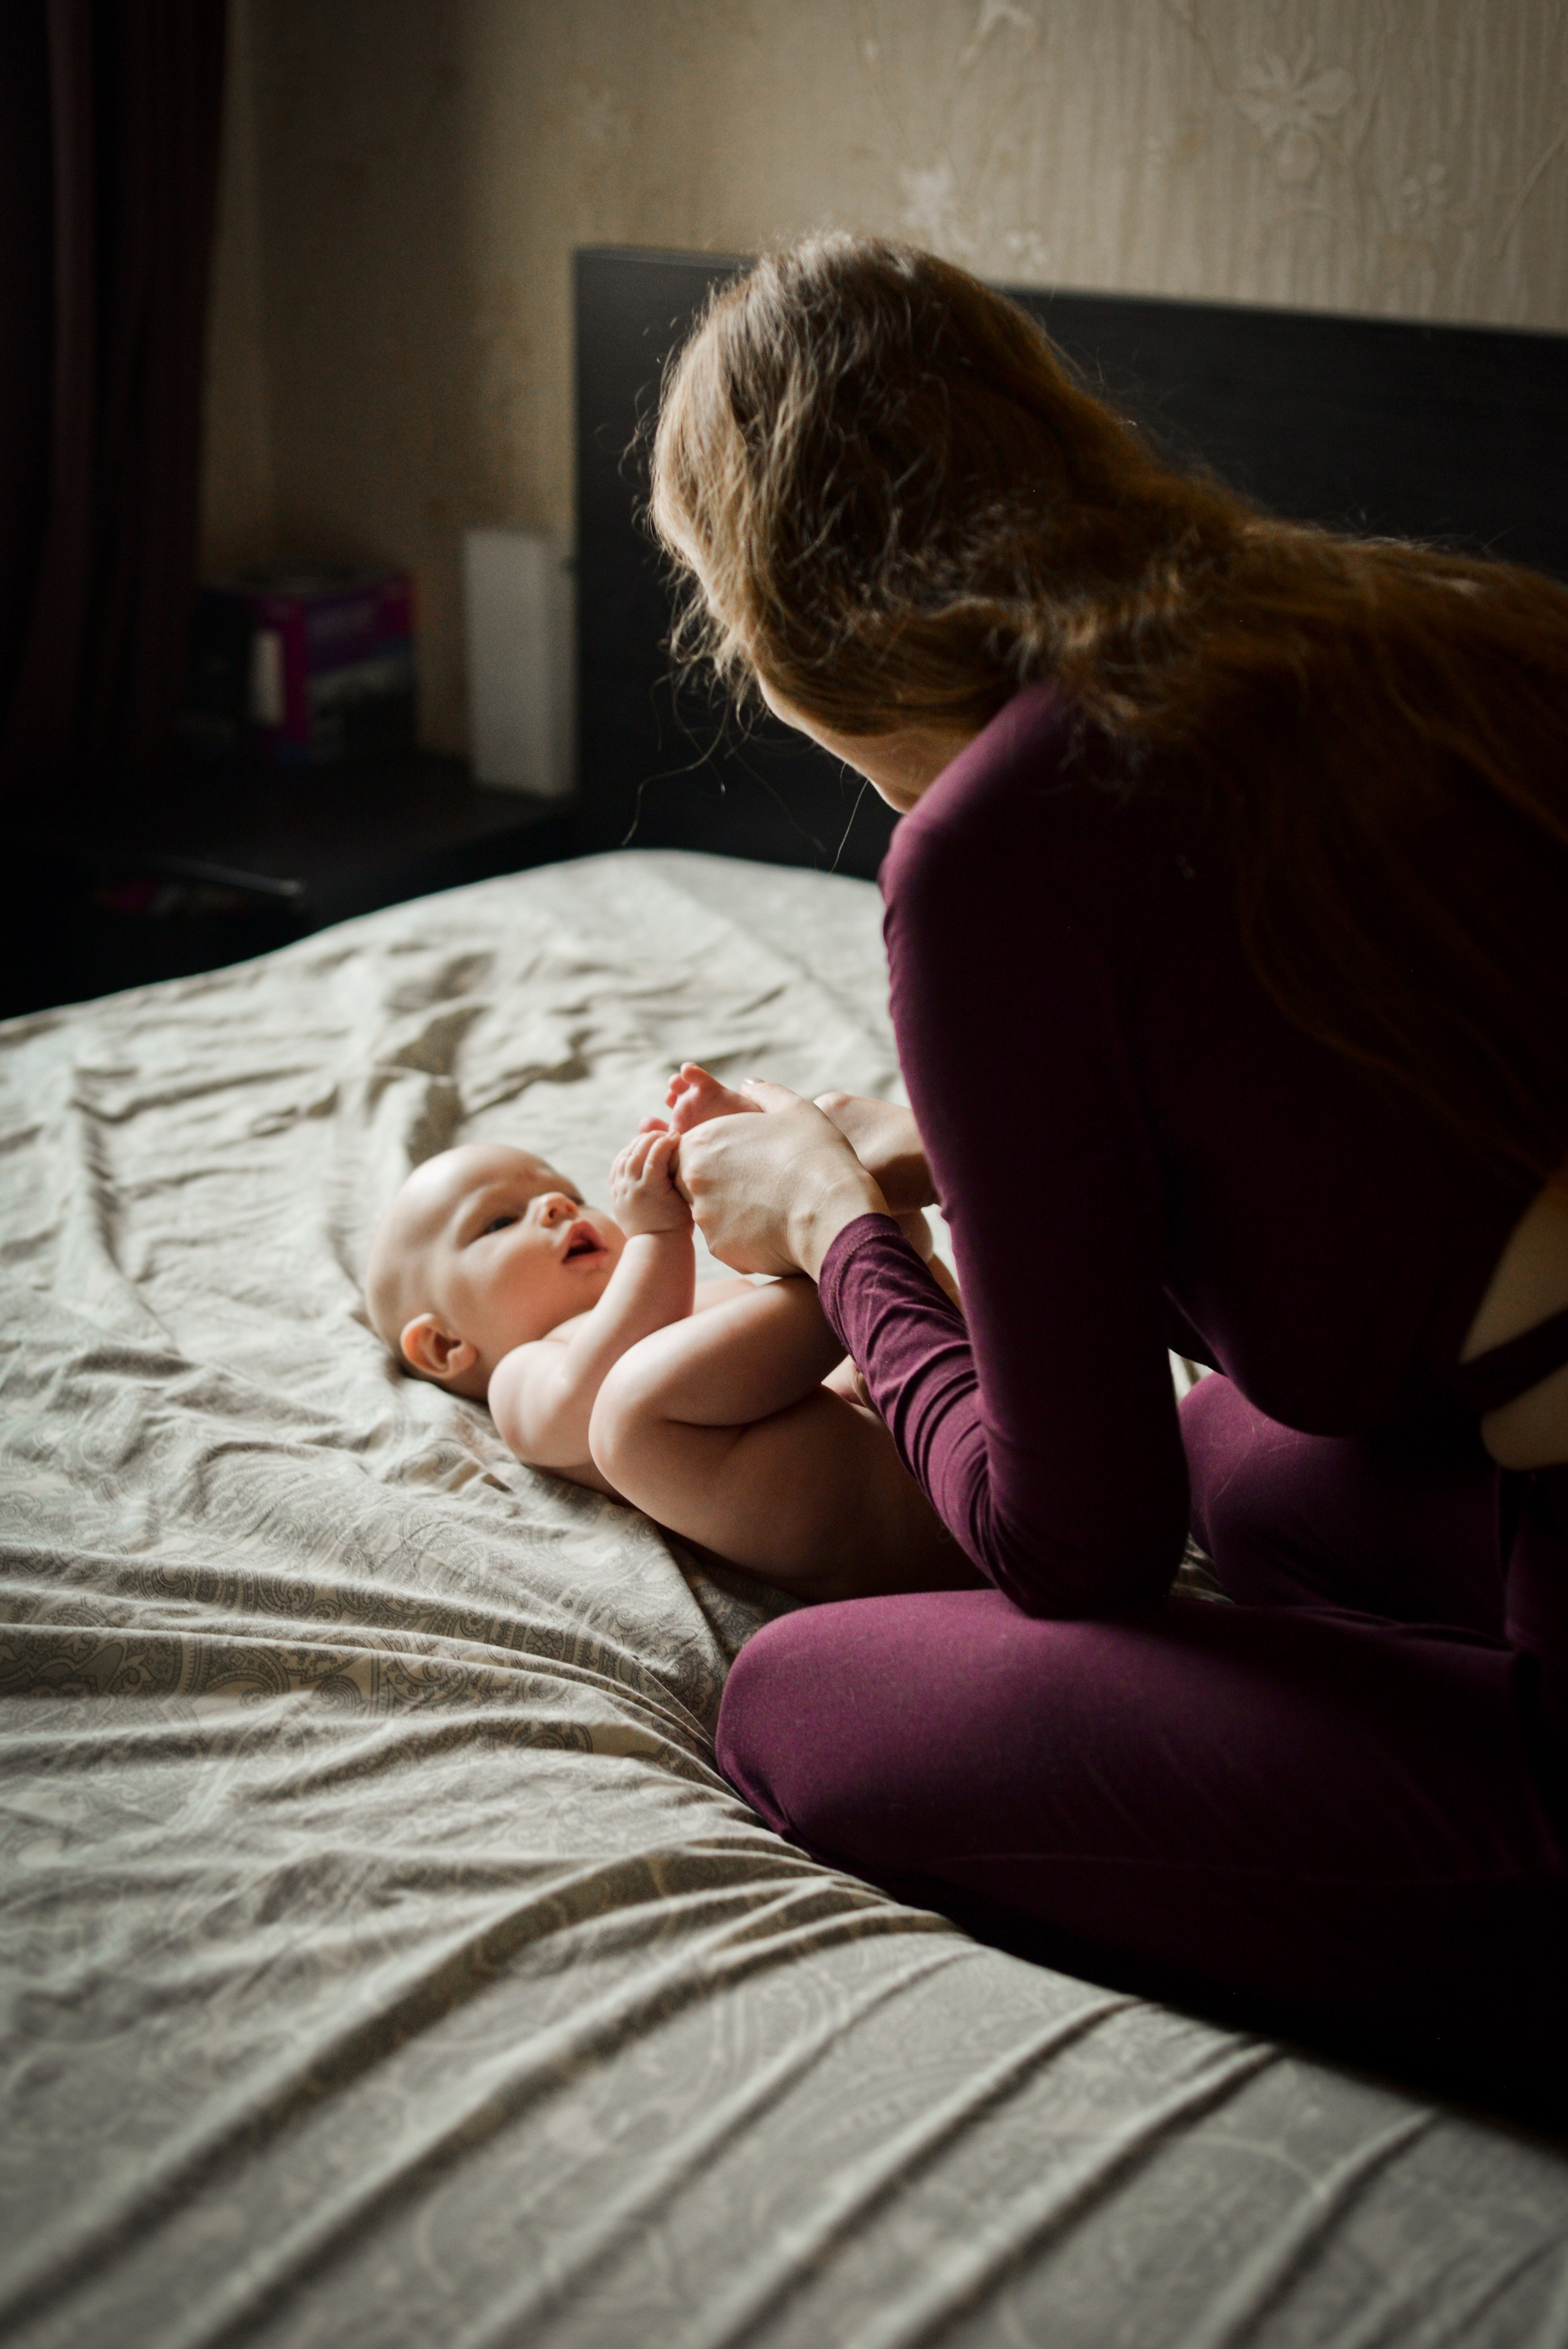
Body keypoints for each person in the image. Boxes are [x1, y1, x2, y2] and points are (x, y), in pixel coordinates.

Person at [647, 231, 1568, 2106]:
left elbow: (1074, 1546)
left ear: (771, 619)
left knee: (795, 1703)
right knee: (1248, 1467)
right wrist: (993, 1144)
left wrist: (835, 1222)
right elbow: (1360, 1135)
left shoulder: (991, 846)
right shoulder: (1385, 624)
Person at [361, 1076, 969, 1602]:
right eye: (498, 1221)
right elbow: (582, 1398)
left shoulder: (686, 1294)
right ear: (445, 1345)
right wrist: (656, 1236)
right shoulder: (521, 1371)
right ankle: (852, 1237)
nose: (553, 1205)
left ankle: (835, 1221)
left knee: (754, 1283)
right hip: (883, 1514)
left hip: (924, 1389)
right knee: (628, 1409)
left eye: (570, 1195)